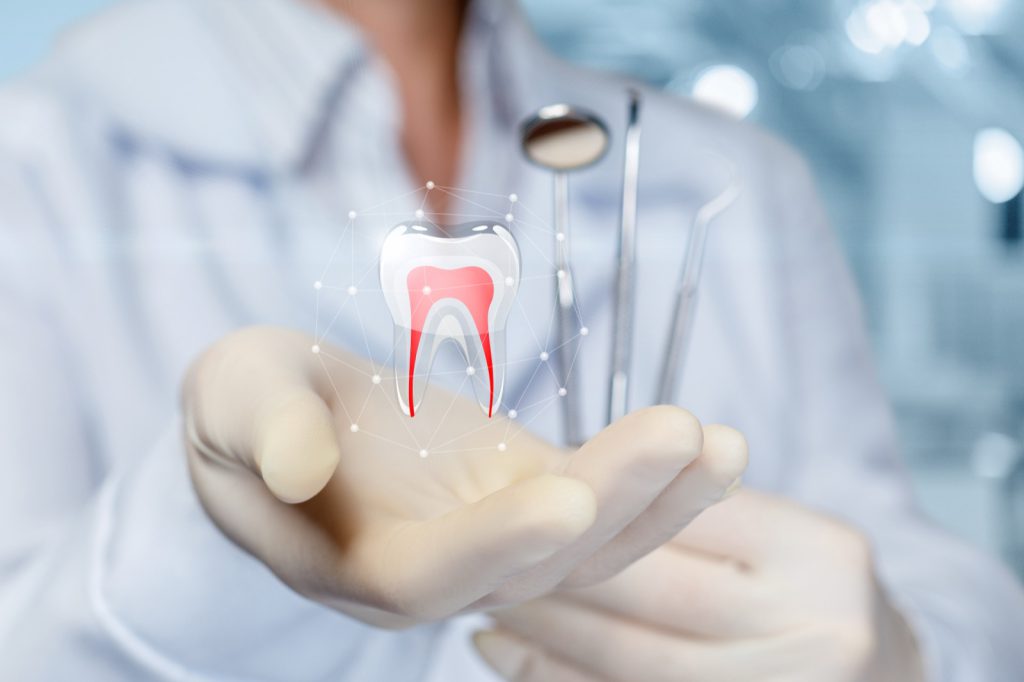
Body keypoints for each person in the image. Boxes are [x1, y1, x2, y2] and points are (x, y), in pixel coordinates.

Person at [1, 0, 1022, 680]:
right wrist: (197, 538)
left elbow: (934, 574)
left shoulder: (732, 179)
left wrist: (903, 652)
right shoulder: (39, 166)